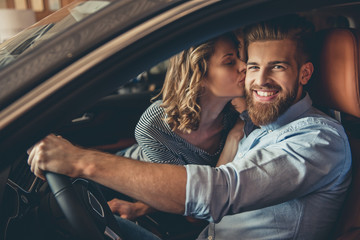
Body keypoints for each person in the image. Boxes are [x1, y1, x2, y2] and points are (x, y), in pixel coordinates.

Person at [28, 14, 352, 240]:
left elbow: (216, 191)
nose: (258, 79)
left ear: (305, 74)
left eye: (277, 67)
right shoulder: (263, 124)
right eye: (253, 65)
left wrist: (81, 161)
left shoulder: (318, 140)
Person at [107, 32, 247, 221]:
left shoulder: (239, 112)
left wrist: (239, 127)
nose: (244, 66)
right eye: (230, 62)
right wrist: (234, 136)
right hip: (121, 185)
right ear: (199, 74)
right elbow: (194, 210)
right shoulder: (155, 126)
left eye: (242, 58)